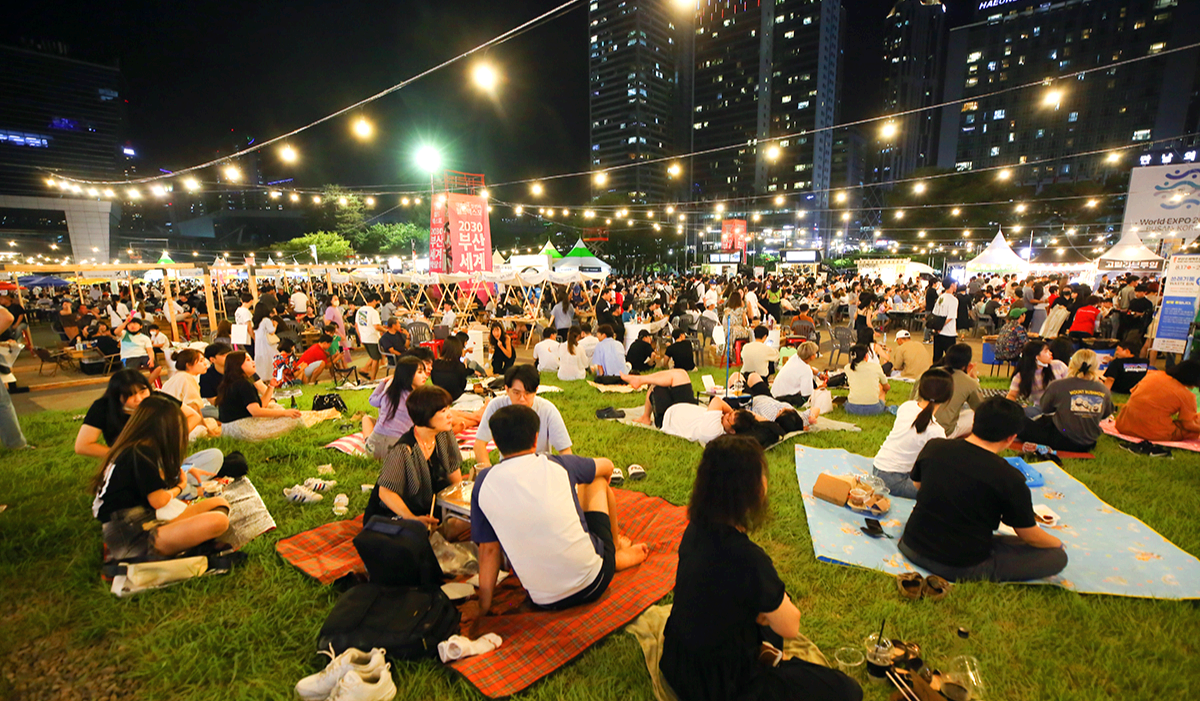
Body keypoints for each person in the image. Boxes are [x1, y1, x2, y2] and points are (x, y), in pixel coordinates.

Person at [661, 435, 862, 701]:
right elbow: (790, 626)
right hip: (722, 685)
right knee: (847, 690)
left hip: (679, 663)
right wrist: (765, 614)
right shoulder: (749, 559)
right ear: (750, 489)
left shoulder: (695, 529)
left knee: (767, 625)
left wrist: (762, 613)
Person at [471, 404, 648, 614]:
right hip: (594, 582)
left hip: (543, 600)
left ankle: (609, 552)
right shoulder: (558, 464)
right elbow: (607, 465)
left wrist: (483, 607)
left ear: (496, 443)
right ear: (536, 439)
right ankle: (615, 550)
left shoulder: (482, 482)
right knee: (595, 480)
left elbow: (489, 550)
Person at [897, 397, 1068, 582]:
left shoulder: (935, 446)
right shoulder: (1009, 477)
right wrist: (1058, 544)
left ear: (973, 421)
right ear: (1010, 438)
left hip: (911, 543)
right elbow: (1030, 536)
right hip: (958, 565)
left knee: (1005, 541)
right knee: (1056, 557)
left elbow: (917, 486)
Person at [91, 396, 231, 562]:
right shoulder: (141, 454)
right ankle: (187, 546)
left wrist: (185, 472)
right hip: (133, 538)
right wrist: (181, 487)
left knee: (219, 503)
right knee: (219, 521)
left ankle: (189, 539)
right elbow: (159, 500)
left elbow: (156, 478)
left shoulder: (136, 448)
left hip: (145, 520)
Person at [363, 385, 462, 526]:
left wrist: (461, 503)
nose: (449, 415)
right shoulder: (404, 449)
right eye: (443, 411)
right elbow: (385, 492)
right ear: (426, 415)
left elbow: (453, 468)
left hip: (428, 504)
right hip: (397, 512)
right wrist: (411, 518)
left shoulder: (443, 433)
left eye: (448, 408)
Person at [872, 369, 954, 499]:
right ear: (947, 398)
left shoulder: (906, 406)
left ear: (920, 390)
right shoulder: (936, 431)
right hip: (894, 480)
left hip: (878, 469)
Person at [473, 365, 573, 468]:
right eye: (516, 393)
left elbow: (565, 450)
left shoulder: (547, 410)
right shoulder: (496, 406)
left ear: (536, 391)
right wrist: (487, 472)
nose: (522, 399)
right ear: (507, 390)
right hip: (508, 469)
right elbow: (479, 444)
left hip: (539, 469)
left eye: (528, 393)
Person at [624, 369, 757, 445]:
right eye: (730, 413)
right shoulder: (723, 423)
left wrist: (730, 410)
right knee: (681, 374)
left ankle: (646, 417)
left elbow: (717, 401)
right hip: (687, 405)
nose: (726, 415)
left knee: (655, 387)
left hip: (669, 416)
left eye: (729, 418)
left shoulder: (713, 432)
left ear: (732, 431)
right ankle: (640, 379)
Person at [1017, 349, 1114, 452]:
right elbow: (1105, 414)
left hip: (1061, 438)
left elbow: (1045, 408)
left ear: (1072, 363)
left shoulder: (1059, 385)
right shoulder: (1103, 389)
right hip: (1089, 443)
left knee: (1019, 421)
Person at [215, 351, 302, 442]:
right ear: (238, 365)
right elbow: (256, 411)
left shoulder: (230, 382)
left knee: (273, 407)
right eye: (248, 360)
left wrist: (271, 386)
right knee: (295, 420)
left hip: (227, 429)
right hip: (241, 429)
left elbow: (261, 405)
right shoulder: (243, 384)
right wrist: (285, 413)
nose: (253, 362)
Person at [1114, 359, 1200, 442]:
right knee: (1193, 428)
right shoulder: (1187, 396)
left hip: (1124, 424)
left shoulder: (1153, 374)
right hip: (1152, 432)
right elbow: (1187, 425)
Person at [362, 356, 428, 461]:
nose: (425, 376)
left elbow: (372, 400)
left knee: (366, 419)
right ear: (408, 375)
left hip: (372, 450)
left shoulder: (389, 392)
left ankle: (367, 440)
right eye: (420, 372)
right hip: (399, 453)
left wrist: (383, 382)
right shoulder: (417, 398)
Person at [929, 343, 982, 438]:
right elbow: (981, 410)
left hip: (917, 425)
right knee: (972, 415)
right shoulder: (969, 382)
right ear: (967, 363)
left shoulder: (928, 374)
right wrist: (974, 379)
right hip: (944, 432)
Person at [1006, 341, 1068, 417]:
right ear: (1036, 356)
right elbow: (1011, 395)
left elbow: (1072, 383)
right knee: (1023, 413)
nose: (1050, 353)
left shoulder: (1058, 365)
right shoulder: (1022, 375)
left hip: (1063, 406)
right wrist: (1016, 408)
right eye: (1046, 351)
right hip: (1041, 408)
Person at [843, 344, 889, 416]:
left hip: (852, 407)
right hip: (874, 408)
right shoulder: (876, 367)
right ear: (866, 356)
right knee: (881, 387)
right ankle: (881, 402)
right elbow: (886, 387)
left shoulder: (847, 368)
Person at [160, 348, 208, 415]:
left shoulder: (177, 376)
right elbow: (194, 407)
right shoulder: (187, 378)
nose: (205, 363)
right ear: (188, 365)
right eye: (201, 361)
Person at [771, 341, 819, 406]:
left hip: (775, 394)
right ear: (812, 356)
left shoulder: (795, 357)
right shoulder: (806, 370)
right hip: (784, 398)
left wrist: (818, 374)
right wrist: (820, 389)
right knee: (807, 398)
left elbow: (807, 366)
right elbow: (807, 394)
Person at [930, 280, 959, 363]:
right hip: (948, 333)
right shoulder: (953, 300)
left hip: (938, 333)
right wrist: (941, 326)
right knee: (951, 358)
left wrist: (937, 328)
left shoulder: (941, 297)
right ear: (952, 285)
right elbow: (950, 317)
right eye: (955, 284)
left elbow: (934, 313)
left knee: (937, 357)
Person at [253, 311, 279, 383]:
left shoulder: (256, 321)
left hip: (259, 345)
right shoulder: (266, 320)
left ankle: (262, 378)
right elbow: (272, 331)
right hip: (267, 344)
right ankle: (272, 378)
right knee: (270, 360)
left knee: (261, 362)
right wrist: (275, 325)